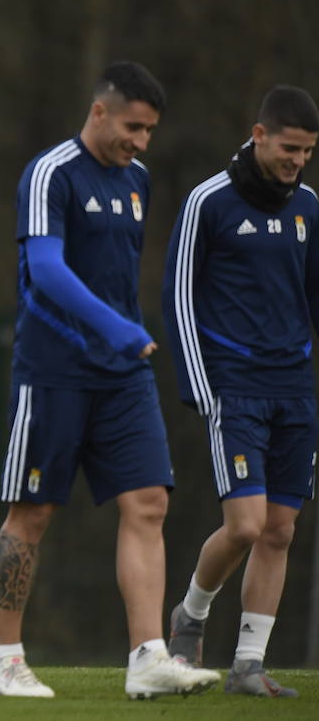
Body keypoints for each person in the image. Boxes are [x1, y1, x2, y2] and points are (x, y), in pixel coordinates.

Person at [0, 61, 219, 699]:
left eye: (149, 131)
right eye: (133, 127)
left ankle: (148, 657)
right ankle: (5, 659)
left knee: (149, 503)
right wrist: (116, 328)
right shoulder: (51, 173)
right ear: (99, 112)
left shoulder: (137, 179)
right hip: (54, 372)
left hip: (123, 377)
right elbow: (47, 269)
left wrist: (125, 340)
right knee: (31, 513)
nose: (141, 143)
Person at [161, 85, 319, 699]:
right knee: (248, 525)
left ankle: (247, 666)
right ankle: (191, 616)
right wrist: (198, 381)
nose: (297, 160)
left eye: (307, 151)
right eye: (288, 147)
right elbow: (178, 295)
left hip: (295, 391)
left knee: (281, 529)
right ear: (258, 135)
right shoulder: (209, 201)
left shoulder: (308, 206)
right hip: (235, 387)